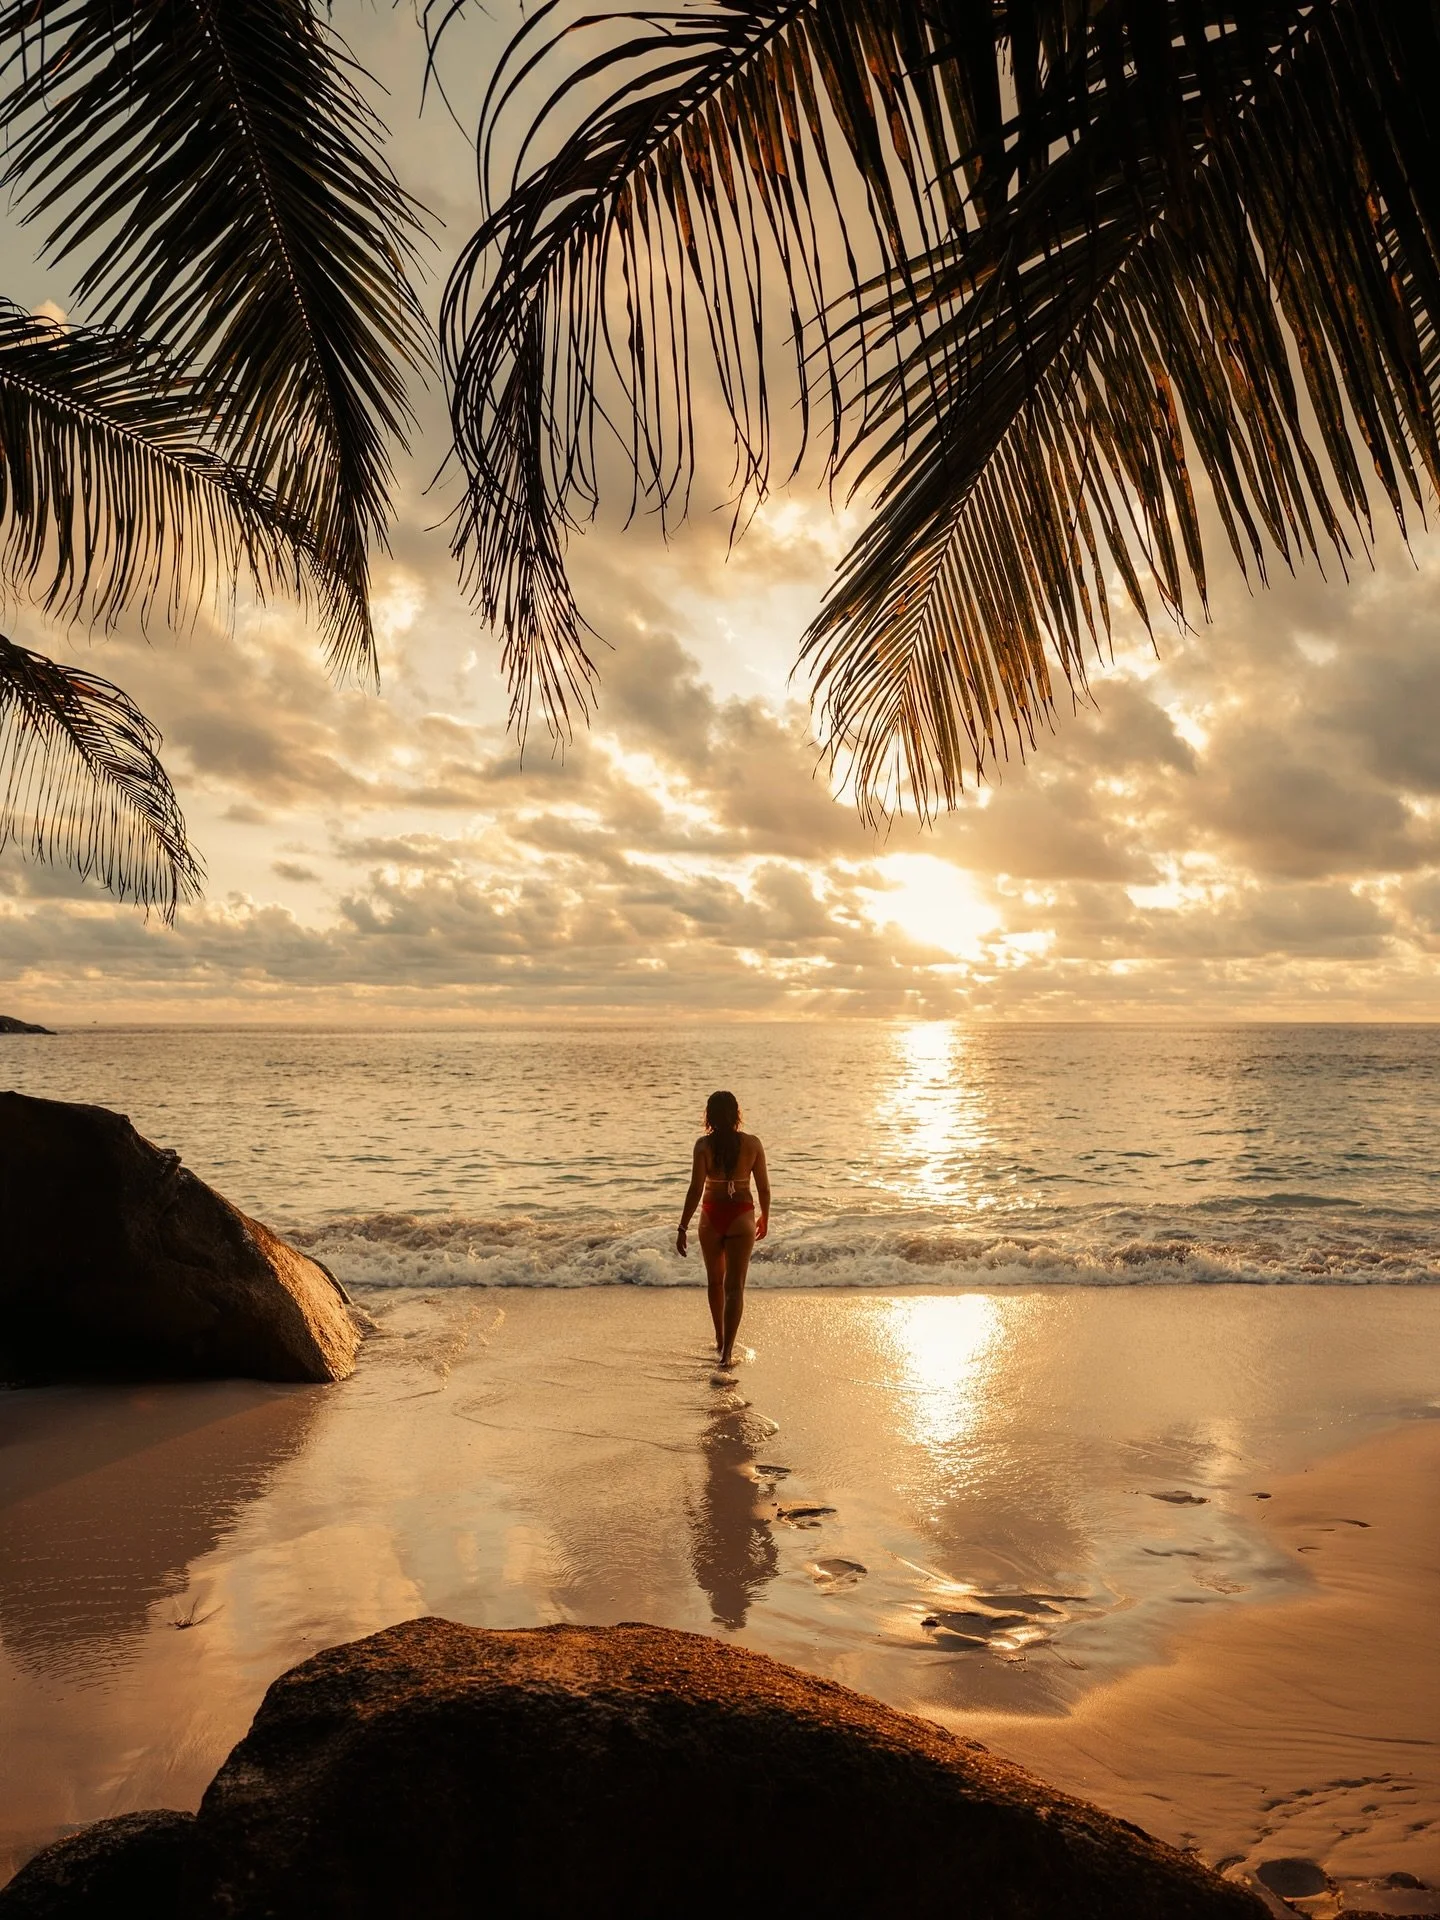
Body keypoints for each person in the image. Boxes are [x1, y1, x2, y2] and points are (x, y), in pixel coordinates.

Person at [676, 1091, 769, 1367]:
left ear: (709, 1116)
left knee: (715, 1282)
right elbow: (763, 1187)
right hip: (742, 1216)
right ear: (736, 1113)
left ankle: (719, 1339)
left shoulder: (703, 1146)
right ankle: (727, 1352)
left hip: (711, 1217)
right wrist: (765, 1216)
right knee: (734, 1287)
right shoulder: (752, 1144)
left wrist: (682, 1226)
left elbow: (695, 1189)